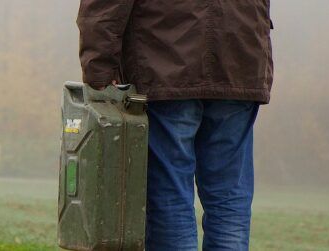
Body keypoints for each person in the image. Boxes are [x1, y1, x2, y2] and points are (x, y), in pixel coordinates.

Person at [77, 1, 273, 250]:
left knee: (170, 194)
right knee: (229, 198)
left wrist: (98, 67)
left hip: (165, 58)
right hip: (241, 56)